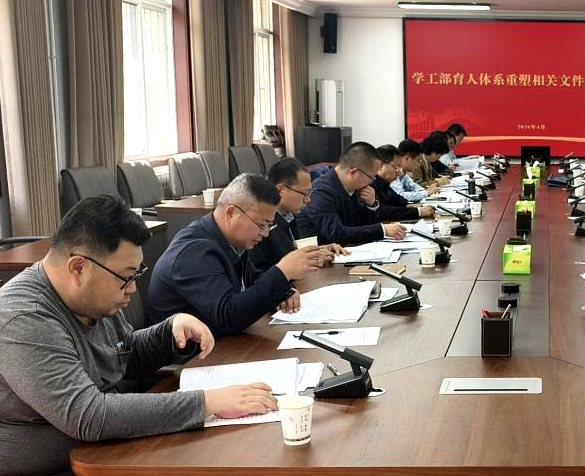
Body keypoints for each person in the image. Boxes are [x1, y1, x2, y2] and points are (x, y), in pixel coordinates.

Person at [0, 196, 277, 476]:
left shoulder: (93, 297)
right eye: (126, 277)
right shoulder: (22, 318)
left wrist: (169, 335)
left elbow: (121, 355)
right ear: (78, 267)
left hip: (98, 458)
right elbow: (89, 416)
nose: (132, 289)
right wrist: (207, 403)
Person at [149, 174, 322, 337]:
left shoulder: (229, 239)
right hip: (187, 354)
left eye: (269, 225)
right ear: (231, 213)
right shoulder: (193, 253)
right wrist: (282, 272)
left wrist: (283, 291)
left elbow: (252, 280)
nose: (265, 234)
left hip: (220, 343)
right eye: (262, 225)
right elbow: (228, 317)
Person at [298, 142, 410, 245]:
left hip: (350, 250)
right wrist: (382, 230)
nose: (372, 182)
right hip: (323, 255)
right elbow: (337, 234)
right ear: (353, 172)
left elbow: (360, 225)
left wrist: (371, 206)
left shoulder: (355, 188)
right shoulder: (321, 192)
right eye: (371, 177)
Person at [249, 157, 349, 269]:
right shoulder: (260, 223)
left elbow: (290, 252)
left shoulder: (288, 216)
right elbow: (261, 270)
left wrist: (318, 251)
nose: (308, 200)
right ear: (280, 190)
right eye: (304, 193)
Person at [372, 144, 436, 217]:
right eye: (396, 167)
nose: (398, 171)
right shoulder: (371, 184)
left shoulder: (384, 183)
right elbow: (384, 210)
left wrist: (415, 206)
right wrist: (418, 211)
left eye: (399, 167)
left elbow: (398, 200)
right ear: (381, 165)